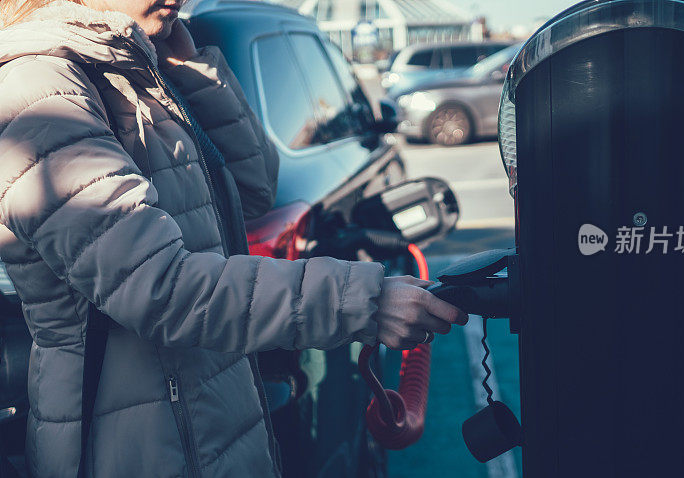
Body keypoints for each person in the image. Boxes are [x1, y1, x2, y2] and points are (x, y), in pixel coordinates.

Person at [0, 0, 468, 476]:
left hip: (206, 412)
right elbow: (162, 289)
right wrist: (363, 301)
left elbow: (250, 195)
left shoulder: (127, 71)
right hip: (127, 440)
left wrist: (189, 67)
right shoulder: (40, 89)